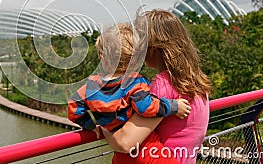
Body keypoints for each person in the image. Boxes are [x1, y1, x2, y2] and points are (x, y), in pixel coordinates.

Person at [68, 23, 192, 164]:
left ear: (102, 57)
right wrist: (173, 106)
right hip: (148, 153)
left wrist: (90, 125)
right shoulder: (135, 83)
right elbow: (146, 107)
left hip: (121, 158)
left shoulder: (90, 86)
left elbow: (74, 107)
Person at [102, 10, 211, 164]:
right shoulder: (198, 82)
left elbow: (125, 142)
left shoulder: (163, 85)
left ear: (153, 47)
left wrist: (102, 122)